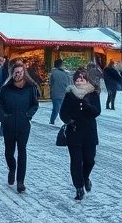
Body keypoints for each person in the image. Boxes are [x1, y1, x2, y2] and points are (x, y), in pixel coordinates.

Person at [0, 63, 39, 192]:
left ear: (24, 73)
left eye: (20, 72)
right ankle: (12, 168)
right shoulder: (5, 88)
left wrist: (28, 115)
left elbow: (35, 105)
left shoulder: (30, 88)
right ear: (12, 73)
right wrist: (3, 117)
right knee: (9, 152)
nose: (18, 74)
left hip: (23, 124)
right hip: (8, 124)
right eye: (16, 72)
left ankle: (20, 181)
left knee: (22, 151)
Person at [60, 69, 101, 200]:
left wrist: (87, 105)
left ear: (87, 79)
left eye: (82, 78)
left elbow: (97, 111)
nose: (79, 80)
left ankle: (86, 177)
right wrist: (68, 120)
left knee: (89, 160)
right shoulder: (69, 93)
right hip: (74, 131)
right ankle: (78, 187)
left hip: (89, 133)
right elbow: (63, 113)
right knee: (76, 162)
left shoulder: (92, 93)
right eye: (77, 78)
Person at [48, 58, 71, 126]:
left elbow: (51, 84)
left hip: (55, 94)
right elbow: (68, 84)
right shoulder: (65, 73)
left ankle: (52, 121)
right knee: (61, 109)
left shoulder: (53, 73)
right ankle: (64, 121)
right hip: (63, 93)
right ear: (61, 65)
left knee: (56, 109)